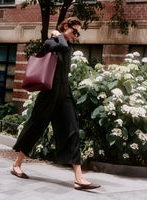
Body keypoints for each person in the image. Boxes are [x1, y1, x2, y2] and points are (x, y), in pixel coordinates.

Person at [11, 17, 100, 190]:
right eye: (74, 31)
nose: (75, 35)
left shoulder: (66, 46)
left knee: (72, 130)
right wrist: (57, 35)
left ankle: (79, 178)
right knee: (35, 127)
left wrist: (60, 35)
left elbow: (66, 48)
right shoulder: (50, 42)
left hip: (64, 92)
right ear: (66, 26)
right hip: (49, 93)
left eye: (78, 33)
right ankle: (16, 164)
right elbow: (61, 46)